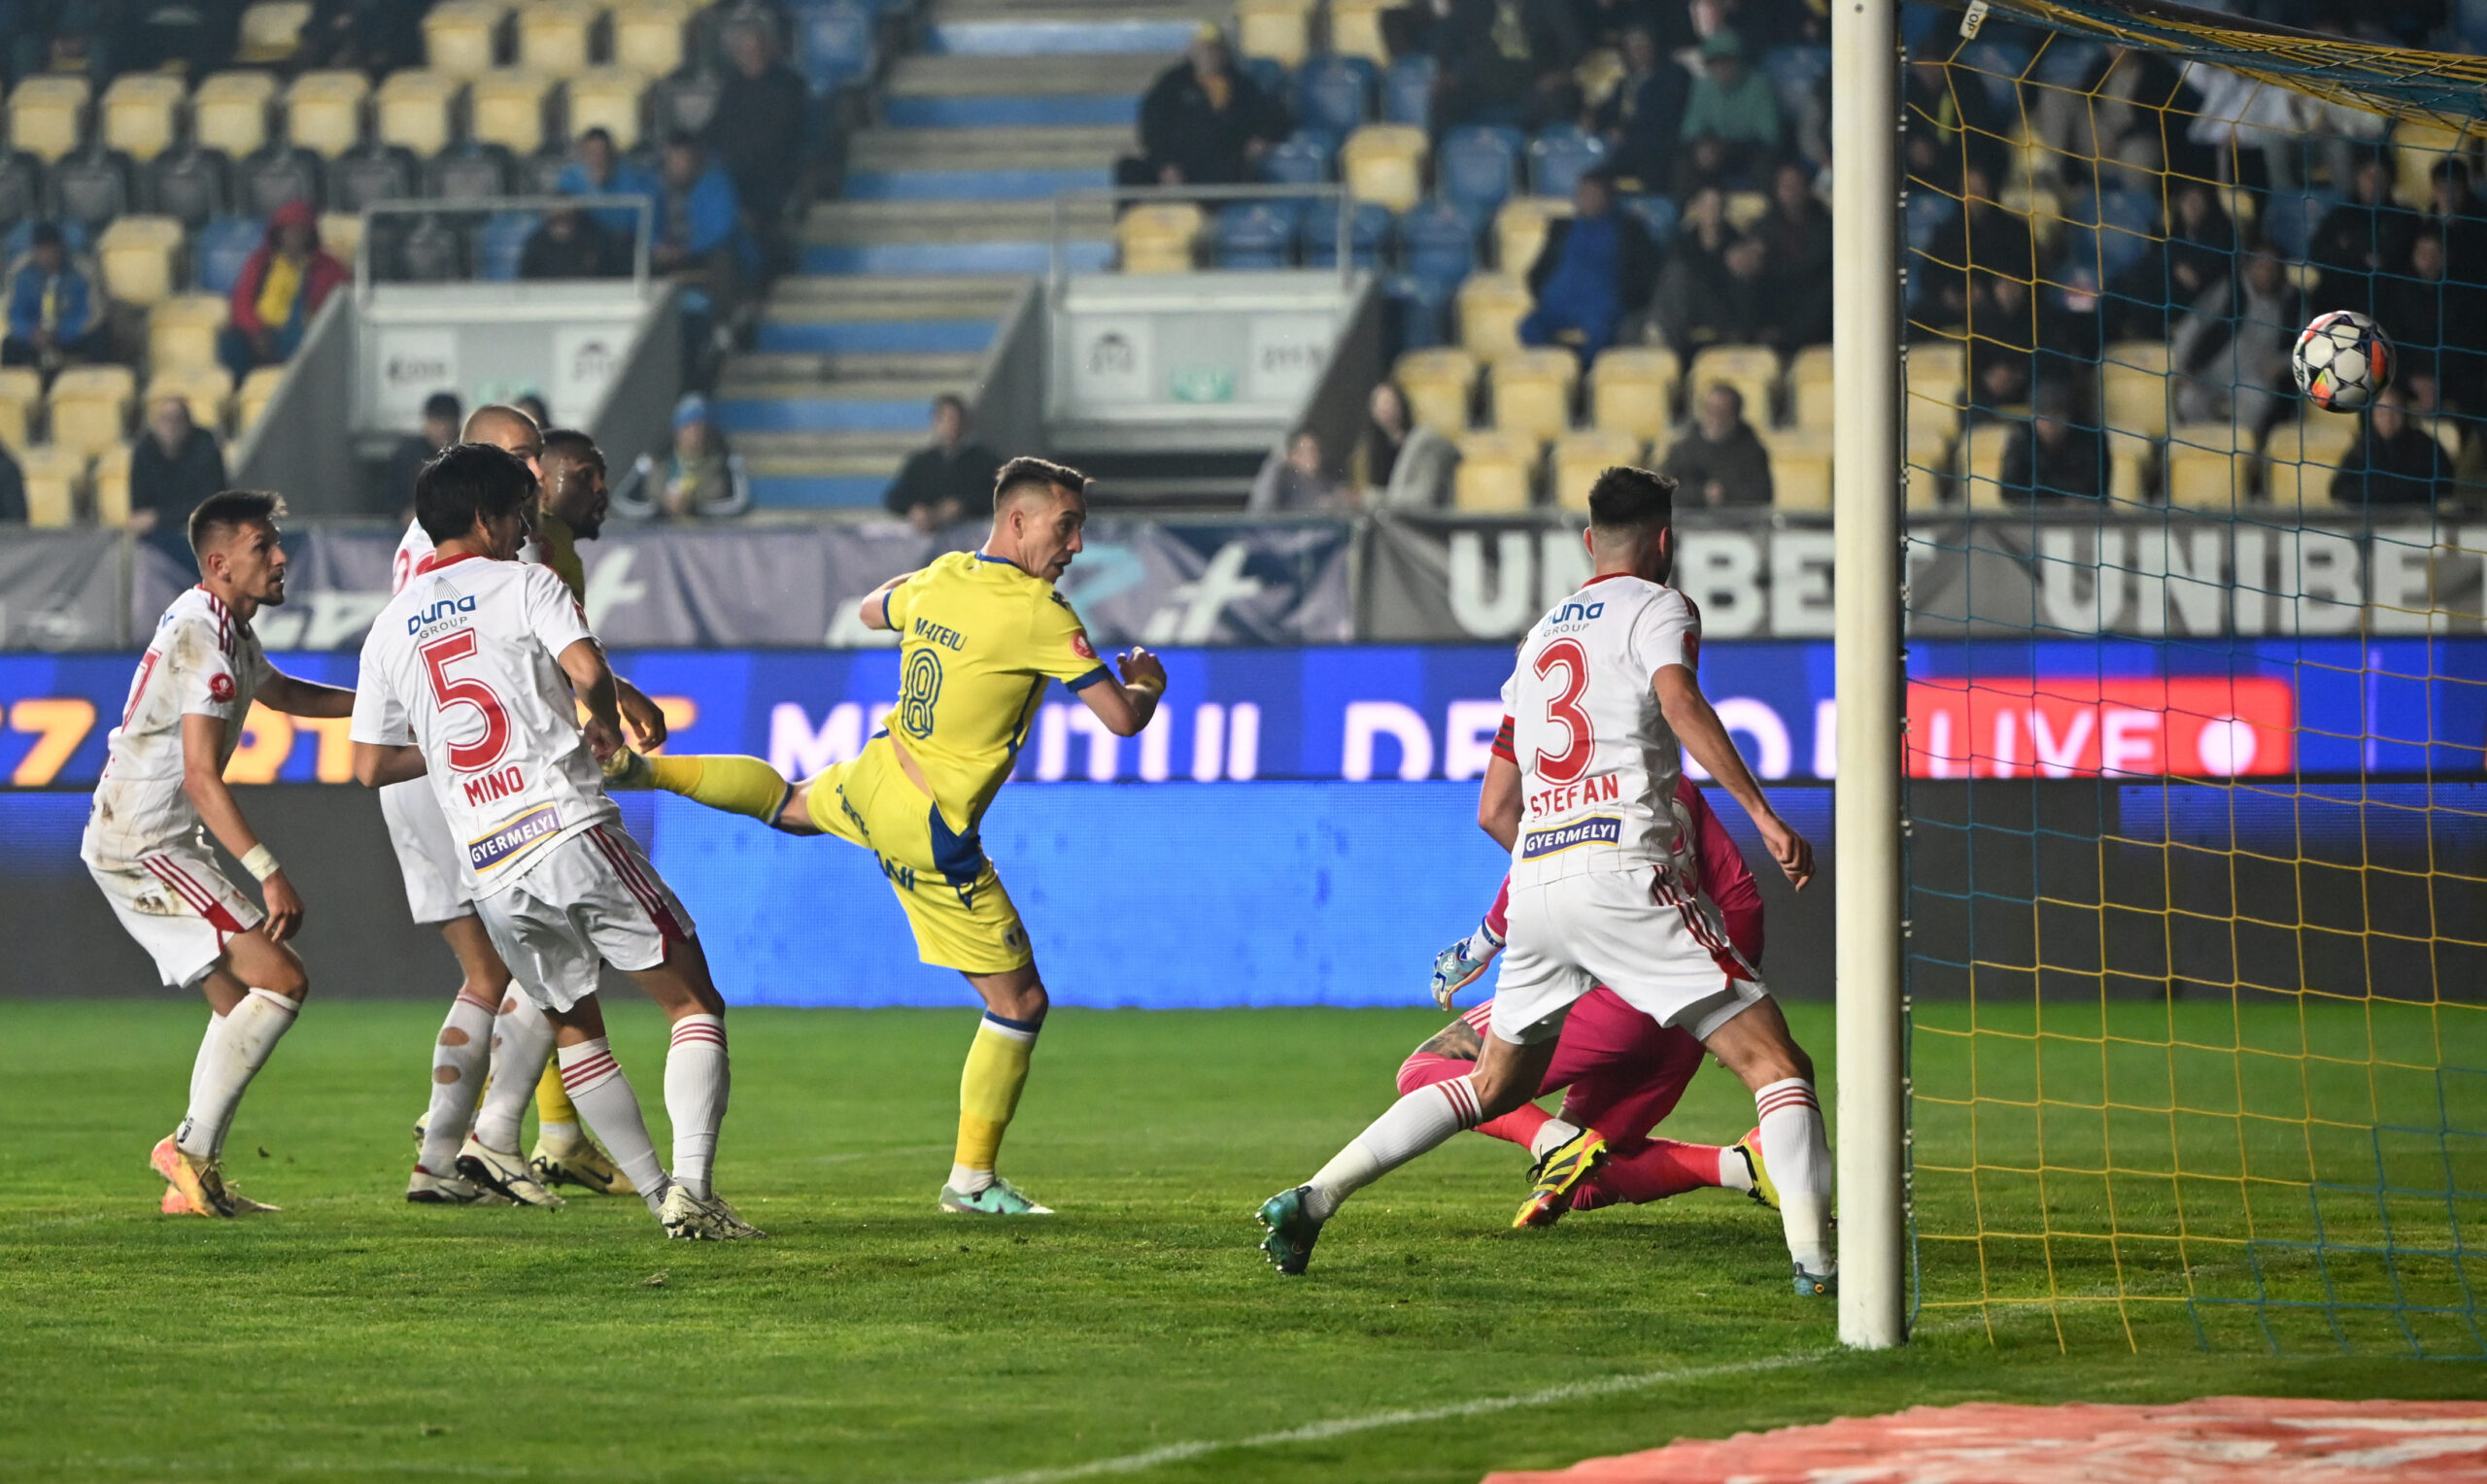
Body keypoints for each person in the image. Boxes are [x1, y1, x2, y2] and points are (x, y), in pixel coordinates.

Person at [1256, 465, 1832, 1294]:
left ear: (1589, 541)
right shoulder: (1660, 606)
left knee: (1490, 1085)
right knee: (1778, 1066)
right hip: (1627, 874)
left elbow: (1497, 806)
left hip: (1537, 886)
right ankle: (1817, 1266)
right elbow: (1680, 703)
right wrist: (1764, 815)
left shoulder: (1539, 640)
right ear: (1665, 541)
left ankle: (1313, 1199)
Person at [608, 458, 1171, 1217]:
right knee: (1019, 1001)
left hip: (878, 774)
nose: (1075, 546)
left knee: (791, 803)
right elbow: (1123, 721)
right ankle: (971, 1183)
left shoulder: (943, 576)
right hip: (931, 824)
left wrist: (937, 590)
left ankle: (644, 771)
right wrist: (1146, 684)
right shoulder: (1042, 614)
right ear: (1018, 521)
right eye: (1065, 526)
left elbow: (874, 610)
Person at [352, 443, 757, 1239]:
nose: (522, 532)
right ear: (484, 519)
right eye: (515, 516)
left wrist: (453, 749)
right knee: (693, 1002)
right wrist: (602, 719)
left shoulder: (389, 626)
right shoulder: (526, 582)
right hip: (566, 827)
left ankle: (660, 1198)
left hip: (489, 864)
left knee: (574, 1025)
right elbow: (585, 668)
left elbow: (368, 765)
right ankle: (695, 1190)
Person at [385, 405, 669, 1199]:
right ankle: (495, 1132)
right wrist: (605, 707)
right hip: (474, 774)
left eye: (537, 456)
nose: (534, 474)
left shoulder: (452, 545)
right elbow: (524, 660)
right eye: (519, 457)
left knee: (495, 969)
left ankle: (462, 1151)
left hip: (437, 764)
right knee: (547, 949)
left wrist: (617, 691)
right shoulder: (504, 554)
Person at [82, 489, 358, 1217]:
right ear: (219, 563)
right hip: (144, 841)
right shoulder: (202, 636)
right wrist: (269, 873)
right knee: (283, 980)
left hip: (146, 834)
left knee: (239, 1003)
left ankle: (193, 1182)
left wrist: (377, 704)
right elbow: (201, 778)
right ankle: (188, 1152)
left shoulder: (221, 624)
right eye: (264, 546)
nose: (281, 557)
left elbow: (284, 693)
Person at [1406, 775, 1772, 1224]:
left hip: (1607, 995)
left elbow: (1534, 859)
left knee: (1424, 1069)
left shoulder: (1590, 775)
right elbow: (1742, 899)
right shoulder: (1680, 786)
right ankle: (1743, 1165)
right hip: (1682, 1009)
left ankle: (1553, 1141)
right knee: (1584, 1180)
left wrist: (1476, 949)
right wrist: (1732, 1012)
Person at [1120, 27, 1290, 188]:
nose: (1208, 55)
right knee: (1130, 170)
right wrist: (1165, 164)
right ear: (1191, 51)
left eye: (1213, 49)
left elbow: (1274, 114)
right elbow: (1153, 126)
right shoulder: (1171, 83)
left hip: (1222, 166)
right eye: (1202, 49)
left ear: (1224, 52)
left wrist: (1262, 137)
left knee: (1233, 174)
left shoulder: (1242, 85)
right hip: (1176, 164)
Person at [1520, 170, 1658, 362]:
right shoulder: (1562, 228)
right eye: (1583, 193)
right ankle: (1559, 367)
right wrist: (1544, 293)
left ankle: (1586, 371)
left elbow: (1647, 273)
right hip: (1558, 305)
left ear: (1608, 197)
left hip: (1601, 308)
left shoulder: (1629, 231)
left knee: (1601, 332)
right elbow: (1539, 269)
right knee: (1528, 327)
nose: (1587, 199)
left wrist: (1627, 303)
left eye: (1593, 193)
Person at [2169, 245, 2301, 438]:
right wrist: (2183, 365)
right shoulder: (2229, 290)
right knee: (2188, 401)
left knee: (2257, 403)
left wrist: (2281, 364)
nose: (2265, 273)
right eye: (2260, 266)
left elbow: (2307, 347)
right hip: (2212, 371)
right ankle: (2208, 445)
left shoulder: (2293, 301)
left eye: (2271, 268)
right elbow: (2192, 325)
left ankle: (2241, 449)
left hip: (2255, 378)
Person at [704, 17, 809, 247]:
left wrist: (734, 157)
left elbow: (782, 136)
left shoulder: (789, 85)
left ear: (768, 49)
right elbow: (715, 128)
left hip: (773, 172)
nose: (751, 56)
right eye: (744, 51)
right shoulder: (733, 86)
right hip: (733, 169)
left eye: (756, 49)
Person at [219, 201, 348, 379]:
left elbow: (343, 304)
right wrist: (256, 331)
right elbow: (241, 302)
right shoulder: (259, 262)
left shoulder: (329, 267)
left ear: (310, 235)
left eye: (300, 232)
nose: (294, 237)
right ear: (278, 234)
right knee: (231, 343)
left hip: (301, 336)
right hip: (260, 333)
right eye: (289, 231)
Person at [1438, 0, 1584, 132]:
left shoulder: (1549, 5)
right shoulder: (1472, 5)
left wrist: (1557, 77)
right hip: (1480, 89)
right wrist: (1448, 74)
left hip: (1533, 90)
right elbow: (1448, 41)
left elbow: (1575, 51)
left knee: (1556, 101)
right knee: (1442, 99)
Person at [1590, 26, 1687, 194]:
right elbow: (1609, 112)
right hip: (1626, 149)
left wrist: (1627, 131)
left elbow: (1664, 116)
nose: (1638, 53)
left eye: (1643, 47)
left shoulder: (1672, 76)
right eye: (1633, 48)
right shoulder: (1624, 83)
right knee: (1593, 178)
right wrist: (1602, 121)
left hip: (1657, 148)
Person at [884, 393, 1002, 532]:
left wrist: (964, 506)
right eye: (944, 419)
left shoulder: (985, 461)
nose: (951, 425)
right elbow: (895, 497)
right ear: (935, 422)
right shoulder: (921, 462)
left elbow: (1002, 494)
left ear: (965, 423)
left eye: (955, 419)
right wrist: (913, 509)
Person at [1675, 30, 1780, 182]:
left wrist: (1727, 147)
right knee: (1685, 163)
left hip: (1749, 150)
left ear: (1739, 61)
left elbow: (1770, 135)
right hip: (1713, 149)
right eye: (1714, 63)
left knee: (1765, 163)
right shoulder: (1702, 87)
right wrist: (1703, 145)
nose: (1721, 68)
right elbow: (1690, 131)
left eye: (1727, 61)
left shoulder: (1759, 85)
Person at [3, 221, 106, 373]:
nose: (47, 256)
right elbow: (14, 312)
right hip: (35, 336)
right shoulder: (20, 272)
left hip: (70, 335)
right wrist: (31, 332)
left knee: (99, 340)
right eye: (42, 250)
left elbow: (92, 313)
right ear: (34, 250)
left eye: (52, 250)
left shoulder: (83, 271)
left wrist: (61, 333)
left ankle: (94, 381)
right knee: (9, 345)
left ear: (61, 248)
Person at [1755, 159, 1833, 349]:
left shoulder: (1824, 222)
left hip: (1813, 300)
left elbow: (1817, 264)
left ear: (1806, 188)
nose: (1790, 191)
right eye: (1785, 185)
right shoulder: (1766, 222)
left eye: (1795, 185)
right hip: (1778, 297)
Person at [129, 397, 229, 544]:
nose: (171, 426)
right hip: (159, 534)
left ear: (188, 424)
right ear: (155, 424)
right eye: (165, 419)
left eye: (177, 419)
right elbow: (139, 510)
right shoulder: (144, 451)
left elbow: (210, 504)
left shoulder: (206, 448)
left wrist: (159, 517)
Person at [2330, 388, 2447, 507]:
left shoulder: (2425, 445)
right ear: (2372, 416)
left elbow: (2444, 487)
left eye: (2395, 411)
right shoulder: (2362, 448)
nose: (2388, 419)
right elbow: (2339, 491)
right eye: (2381, 413)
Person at [1660, 383, 1773, 506]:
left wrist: (1725, 494)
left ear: (1735, 415)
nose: (1715, 419)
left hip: (1736, 516)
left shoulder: (1753, 452)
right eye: (1710, 410)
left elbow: (1763, 495)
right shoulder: (1682, 449)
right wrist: (1702, 494)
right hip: (1691, 517)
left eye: (1722, 412)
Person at [1352, 381, 1457, 508]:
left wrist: (1371, 497)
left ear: (1401, 404)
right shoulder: (1372, 450)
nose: (1384, 409)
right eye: (1377, 404)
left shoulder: (1425, 444)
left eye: (1388, 402)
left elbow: (1423, 498)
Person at [1998, 383, 2104, 502]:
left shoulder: (2091, 439)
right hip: (2031, 512)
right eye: (2042, 415)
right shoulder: (2021, 438)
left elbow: (2096, 490)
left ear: (2069, 417)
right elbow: (2009, 492)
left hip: (2080, 513)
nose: (2050, 424)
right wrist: (2059, 501)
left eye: (2056, 415)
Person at [558, 127, 661, 241]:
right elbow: (558, 212)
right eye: (592, 153)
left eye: (602, 153)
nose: (597, 160)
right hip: (583, 242)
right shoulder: (570, 179)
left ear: (612, 154)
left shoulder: (633, 179)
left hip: (624, 242)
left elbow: (645, 220)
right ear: (583, 156)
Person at [653, 392, 744, 519]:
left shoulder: (723, 464)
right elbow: (634, 503)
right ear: (677, 431)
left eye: (702, 428)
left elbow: (737, 503)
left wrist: (693, 504)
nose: (696, 434)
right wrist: (665, 503)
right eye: (689, 427)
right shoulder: (659, 462)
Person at [387, 391, 462, 517]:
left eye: (449, 421)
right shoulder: (408, 454)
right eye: (437, 421)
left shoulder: (469, 456)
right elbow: (390, 497)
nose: (443, 428)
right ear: (426, 421)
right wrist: (404, 513)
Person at [520, 206, 627, 281]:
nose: (561, 223)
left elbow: (613, 276)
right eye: (555, 219)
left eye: (566, 217)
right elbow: (526, 280)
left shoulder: (595, 241)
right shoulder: (536, 244)